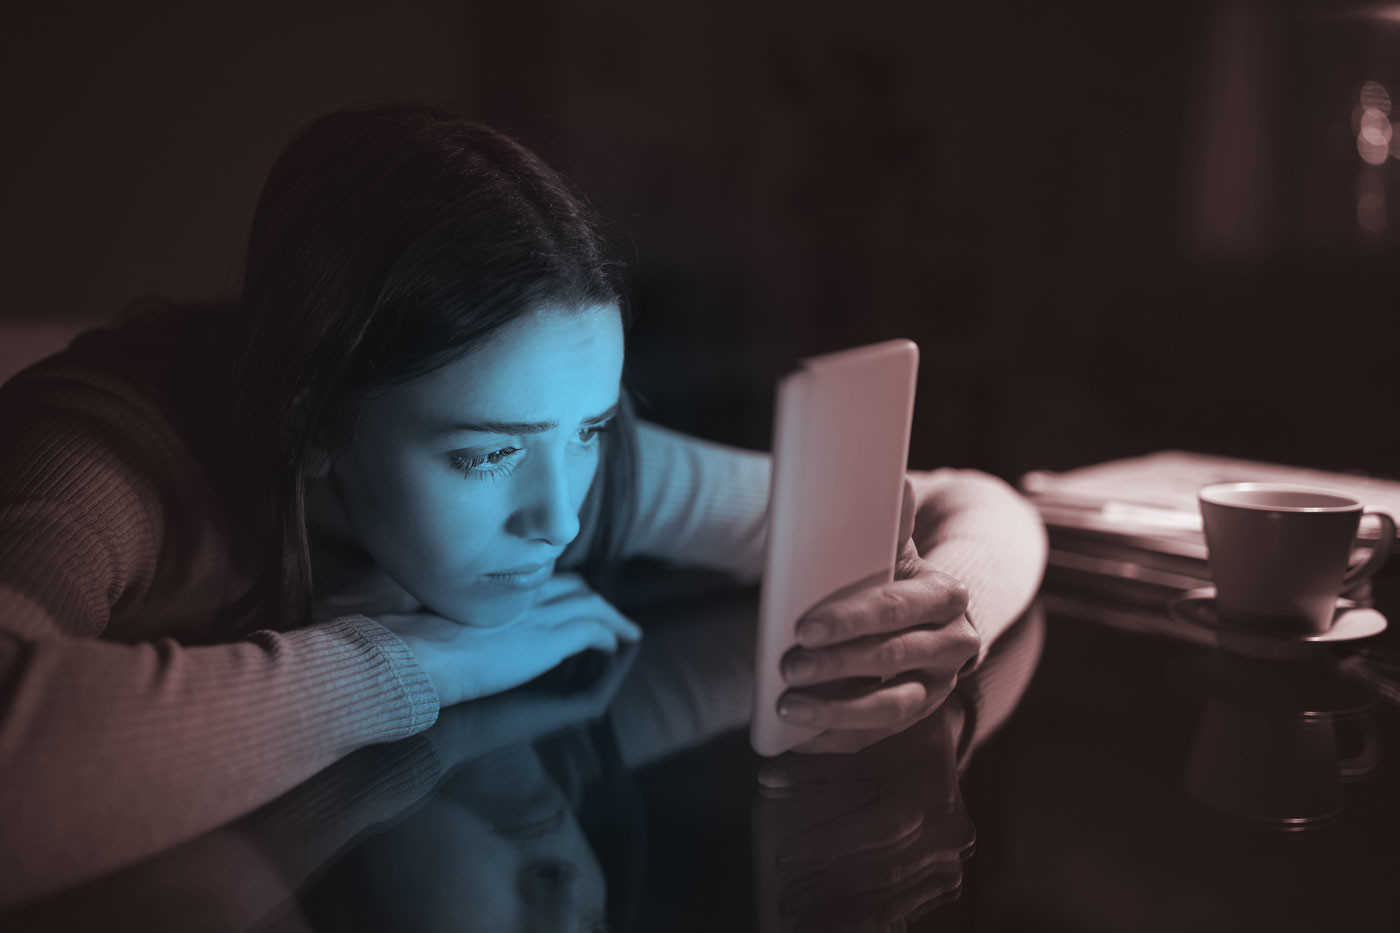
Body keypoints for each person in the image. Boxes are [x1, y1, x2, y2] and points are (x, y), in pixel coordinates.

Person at [0, 102, 1047, 907]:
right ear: (308, 424)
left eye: (589, 430)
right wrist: (414, 662)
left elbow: (965, 500)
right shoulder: (107, 461)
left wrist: (944, 598)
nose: (556, 518)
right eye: (482, 456)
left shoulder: (567, 469)